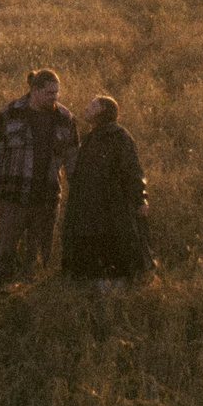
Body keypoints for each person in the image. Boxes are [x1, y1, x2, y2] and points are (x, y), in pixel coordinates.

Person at [0, 68, 79, 285]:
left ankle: (31, 297)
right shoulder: (10, 113)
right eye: (49, 93)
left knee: (39, 255)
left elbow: (73, 160)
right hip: (13, 198)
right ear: (34, 90)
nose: (55, 97)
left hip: (46, 199)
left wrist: (79, 192)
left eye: (57, 93)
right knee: (5, 251)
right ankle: (0, 292)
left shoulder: (65, 118)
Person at [57, 94, 151, 289]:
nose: (86, 109)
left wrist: (139, 198)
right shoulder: (94, 136)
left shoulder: (118, 137)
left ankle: (114, 288)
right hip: (91, 207)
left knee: (111, 243)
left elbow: (132, 169)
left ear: (103, 112)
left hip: (111, 205)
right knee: (95, 243)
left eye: (92, 107)